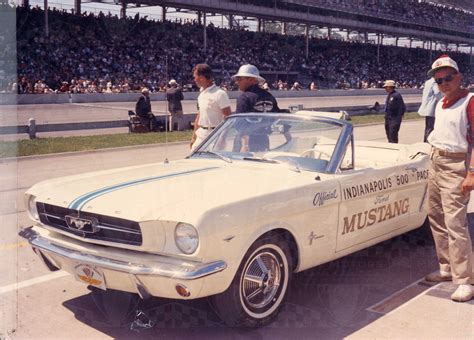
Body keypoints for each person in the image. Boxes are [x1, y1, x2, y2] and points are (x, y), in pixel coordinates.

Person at [425, 55, 474, 302]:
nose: (443, 83)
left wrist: (472, 173)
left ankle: (465, 279)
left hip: (456, 164)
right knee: (436, 217)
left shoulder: (470, 101)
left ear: (458, 77)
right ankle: (446, 268)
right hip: (435, 161)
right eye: (439, 80)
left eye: (448, 78)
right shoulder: (440, 102)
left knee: (455, 223)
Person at [232, 64, 282, 152]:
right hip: (263, 140)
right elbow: (277, 118)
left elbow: (241, 124)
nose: (237, 82)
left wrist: (245, 145)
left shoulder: (244, 97)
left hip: (246, 142)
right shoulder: (269, 96)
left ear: (251, 79)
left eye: (239, 79)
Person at [190, 64, 231, 151]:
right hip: (201, 134)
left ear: (202, 78)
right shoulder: (201, 94)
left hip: (216, 135)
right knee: (193, 158)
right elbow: (199, 116)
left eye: (195, 77)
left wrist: (222, 138)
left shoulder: (220, 94)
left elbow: (227, 117)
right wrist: (194, 137)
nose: (194, 80)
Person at [418, 77, 442, 142]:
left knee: (428, 126)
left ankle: (426, 140)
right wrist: (443, 100)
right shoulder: (434, 83)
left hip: (427, 107)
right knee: (431, 127)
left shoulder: (428, 82)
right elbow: (437, 94)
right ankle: (428, 141)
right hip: (432, 108)